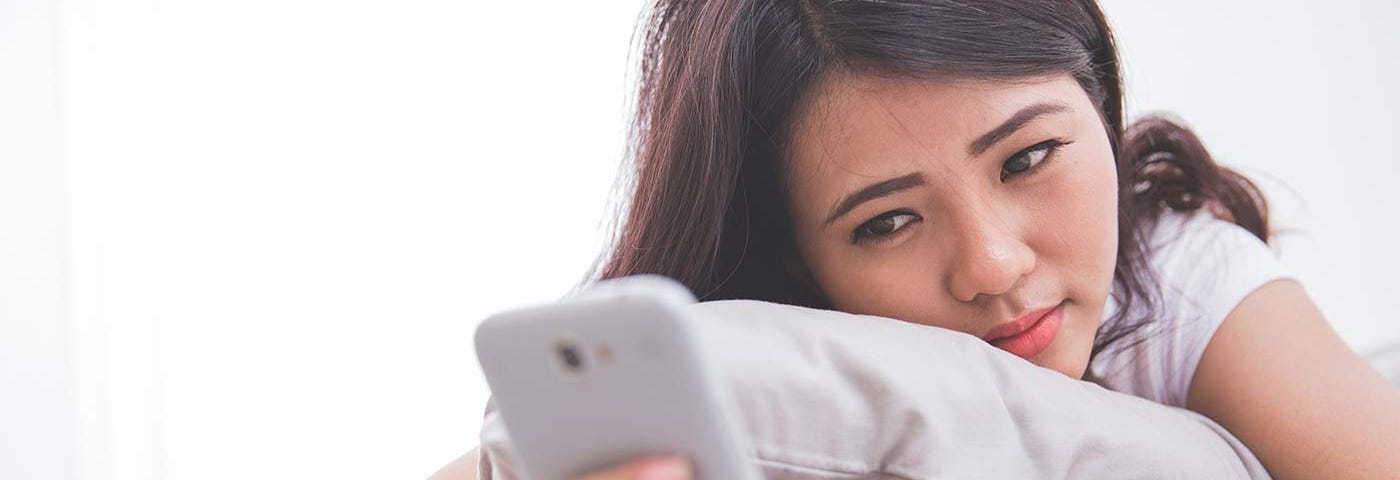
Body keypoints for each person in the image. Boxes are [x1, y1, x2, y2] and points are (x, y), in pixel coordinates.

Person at [433, 0, 1400, 478]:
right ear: (796, 257)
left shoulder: (1174, 275)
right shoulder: (788, 363)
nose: (991, 265)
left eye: (1028, 159)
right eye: (887, 221)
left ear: (1102, 105)